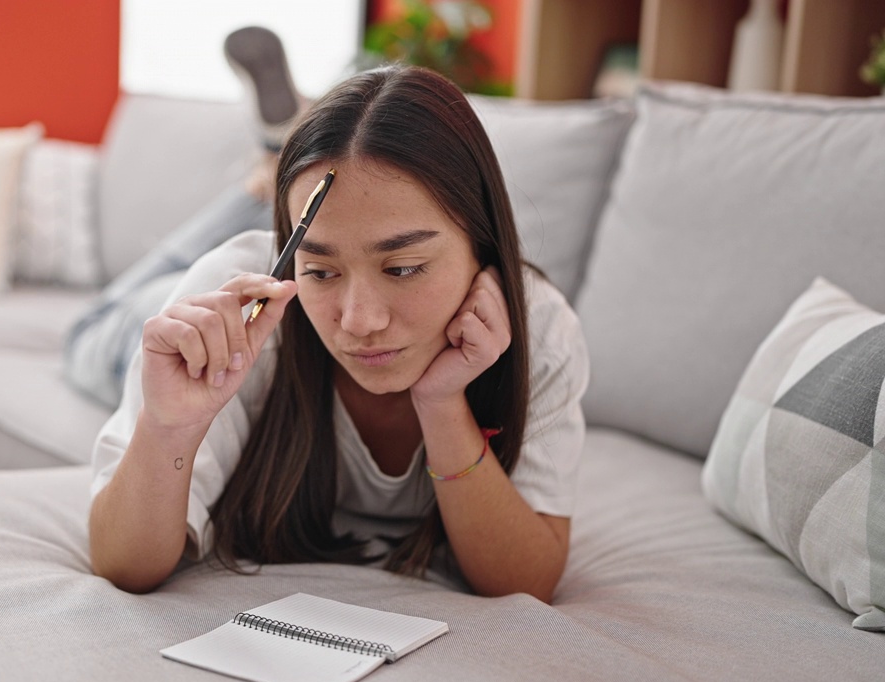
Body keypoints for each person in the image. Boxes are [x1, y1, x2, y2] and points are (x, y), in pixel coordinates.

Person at [88, 65, 589, 603]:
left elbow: (525, 580)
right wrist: (169, 426)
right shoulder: (231, 299)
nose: (359, 322)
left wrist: (442, 403)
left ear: (481, 242)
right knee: (97, 325)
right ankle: (258, 180)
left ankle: (268, 175)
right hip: (128, 332)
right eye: (321, 272)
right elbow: (124, 564)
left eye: (402, 268)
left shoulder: (541, 329)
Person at [62, 27, 301, 408]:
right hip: (227, 305)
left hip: (173, 315)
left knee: (85, 330)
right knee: (179, 264)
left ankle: (268, 179)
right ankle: (276, 175)